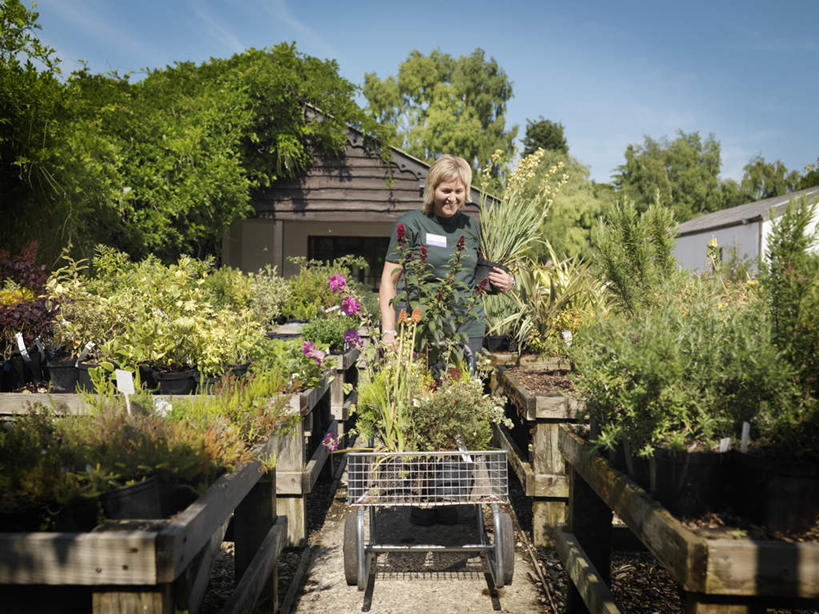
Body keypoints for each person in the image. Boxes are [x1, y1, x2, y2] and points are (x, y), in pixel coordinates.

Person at [379, 154, 514, 360]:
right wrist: (388, 332)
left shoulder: (473, 227)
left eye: (459, 191)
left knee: (464, 388)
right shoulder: (411, 224)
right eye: (446, 191)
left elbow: (482, 275)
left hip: (468, 329)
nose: (452, 198)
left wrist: (506, 281)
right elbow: (389, 280)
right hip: (422, 329)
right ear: (432, 189)